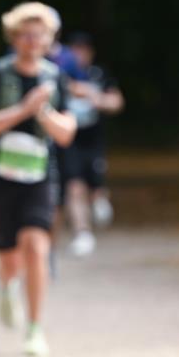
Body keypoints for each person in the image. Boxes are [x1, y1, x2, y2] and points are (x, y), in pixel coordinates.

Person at [0, 2, 76, 357]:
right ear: (14, 38)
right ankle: (6, 286)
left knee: (35, 245)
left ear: (50, 39)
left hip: (40, 174)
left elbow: (66, 133)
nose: (34, 41)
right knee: (9, 256)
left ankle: (34, 328)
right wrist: (23, 108)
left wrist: (42, 111)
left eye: (41, 35)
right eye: (26, 34)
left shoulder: (55, 77)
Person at [62, 32, 125, 256]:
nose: (80, 54)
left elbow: (117, 102)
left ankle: (99, 198)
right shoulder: (59, 75)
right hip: (68, 140)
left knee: (95, 186)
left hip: (94, 140)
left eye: (84, 49)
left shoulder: (99, 74)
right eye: (75, 49)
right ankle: (82, 232)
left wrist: (93, 97)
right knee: (74, 186)